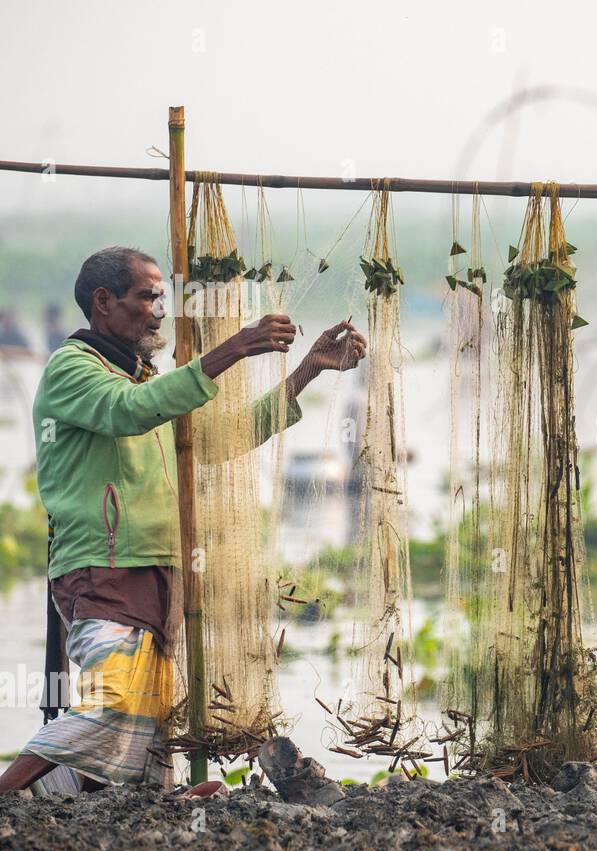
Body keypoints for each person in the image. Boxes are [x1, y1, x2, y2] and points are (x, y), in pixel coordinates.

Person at [0, 246, 366, 796]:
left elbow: (222, 437)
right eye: (147, 296)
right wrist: (235, 349)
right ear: (104, 302)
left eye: (161, 297)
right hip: (102, 565)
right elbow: (129, 410)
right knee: (114, 703)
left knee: (148, 718)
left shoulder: (145, 380)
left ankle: (138, 803)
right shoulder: (73, 369)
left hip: (159, 568)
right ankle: (8, 795)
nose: (159, 310)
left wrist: (307, 370)